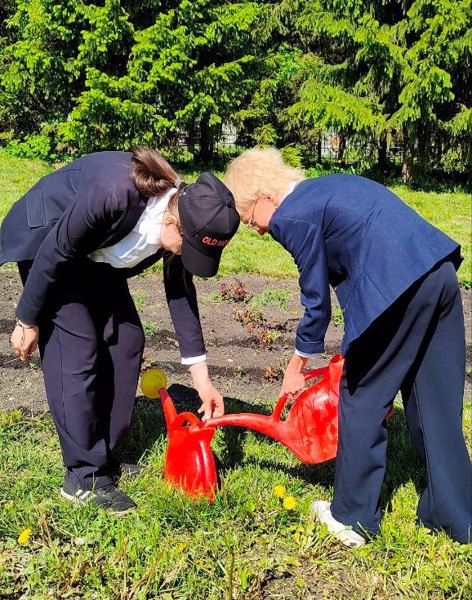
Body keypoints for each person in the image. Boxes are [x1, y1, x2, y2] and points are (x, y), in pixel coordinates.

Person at [224, 148, 471, 546]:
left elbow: (315, 302)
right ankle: (457, 517)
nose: (256, 230)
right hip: (438, 273)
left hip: (397, 290)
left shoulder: (291, 215)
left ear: (263, 197)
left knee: (360, 396)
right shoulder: (327, 187)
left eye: (250, 218)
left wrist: (296, 365)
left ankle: (353, 519)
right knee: (435, 404)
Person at [0, 148, 240, 514]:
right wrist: (27, 319)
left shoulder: (182, 215)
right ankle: (83, 478)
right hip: (49, 242)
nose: (184, 257)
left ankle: (103, 458)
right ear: (174, 224)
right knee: (77, 349)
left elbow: (180, 293)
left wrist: (202, 379)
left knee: (127, 339)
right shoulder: (114, 195)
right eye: (187, 248)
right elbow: (57, 249)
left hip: (94, 255)